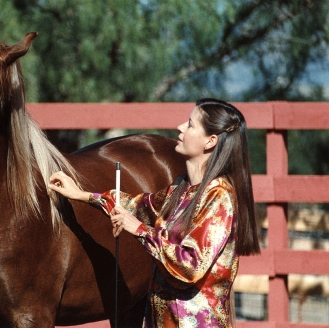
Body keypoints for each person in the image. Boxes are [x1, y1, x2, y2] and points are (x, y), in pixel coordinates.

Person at [48, 98, 260, 328]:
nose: (180, 128)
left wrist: (138, 229)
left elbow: (189, 266)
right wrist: (82, 195)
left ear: (210, 141)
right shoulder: (182, 189)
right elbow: (137, 205)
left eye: (190, 125)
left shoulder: (219, 198)